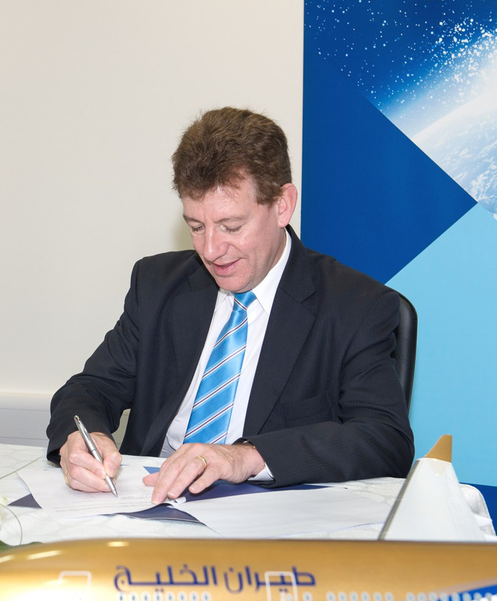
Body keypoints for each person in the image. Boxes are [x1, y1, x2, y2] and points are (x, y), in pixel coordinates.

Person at [48, 107, 413, 503]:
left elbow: (384, 438)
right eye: (196, 226)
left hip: (267, 526)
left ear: (282, 206)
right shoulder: (157, 286)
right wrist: (84, 439)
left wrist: (247, 457)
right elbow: (89, 389)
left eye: (231, 227)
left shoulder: (354, 306)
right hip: (146, 509)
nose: (211, 250)